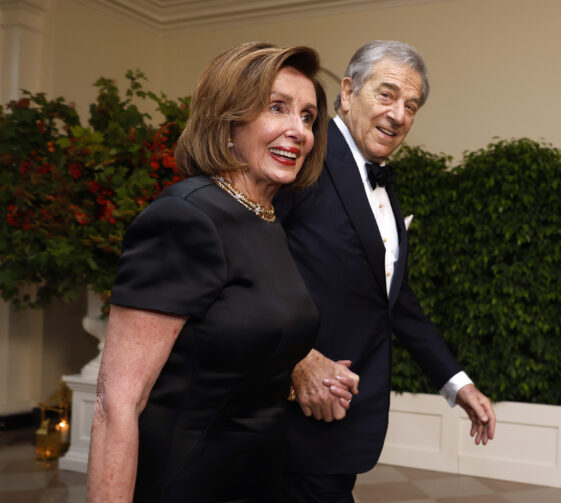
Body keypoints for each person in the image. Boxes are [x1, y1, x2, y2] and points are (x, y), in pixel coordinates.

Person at [86, 42, 332, 502]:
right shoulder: (185, 216)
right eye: (277, 108)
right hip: (188, 480)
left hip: (261, 477)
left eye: (307, 116)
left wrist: (305, 364)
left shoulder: (265, 218)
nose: (298, 130)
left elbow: (240, 332)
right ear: (227, 118)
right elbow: (117, 402)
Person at [274, 40, 497, 502]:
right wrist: (297, 360)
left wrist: (458, 384)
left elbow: (395, 300)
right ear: (349, 91)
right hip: (292, 417)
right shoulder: (303, 155)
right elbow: (254, 267)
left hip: (345, 421)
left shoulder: (380, 182)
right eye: (387, 95)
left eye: (411, 105)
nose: (398, 115)